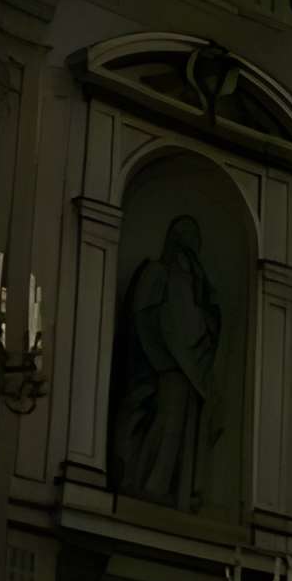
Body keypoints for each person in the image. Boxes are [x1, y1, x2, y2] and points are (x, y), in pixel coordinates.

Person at [111, 214, 223, 510]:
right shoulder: (162, 273)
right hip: (164, 368)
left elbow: (188, 321)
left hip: (177, 369)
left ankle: (164, 488)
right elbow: (168, 321)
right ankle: (149, 484)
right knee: (165, 425)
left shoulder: (185, 277)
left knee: (174, 429)